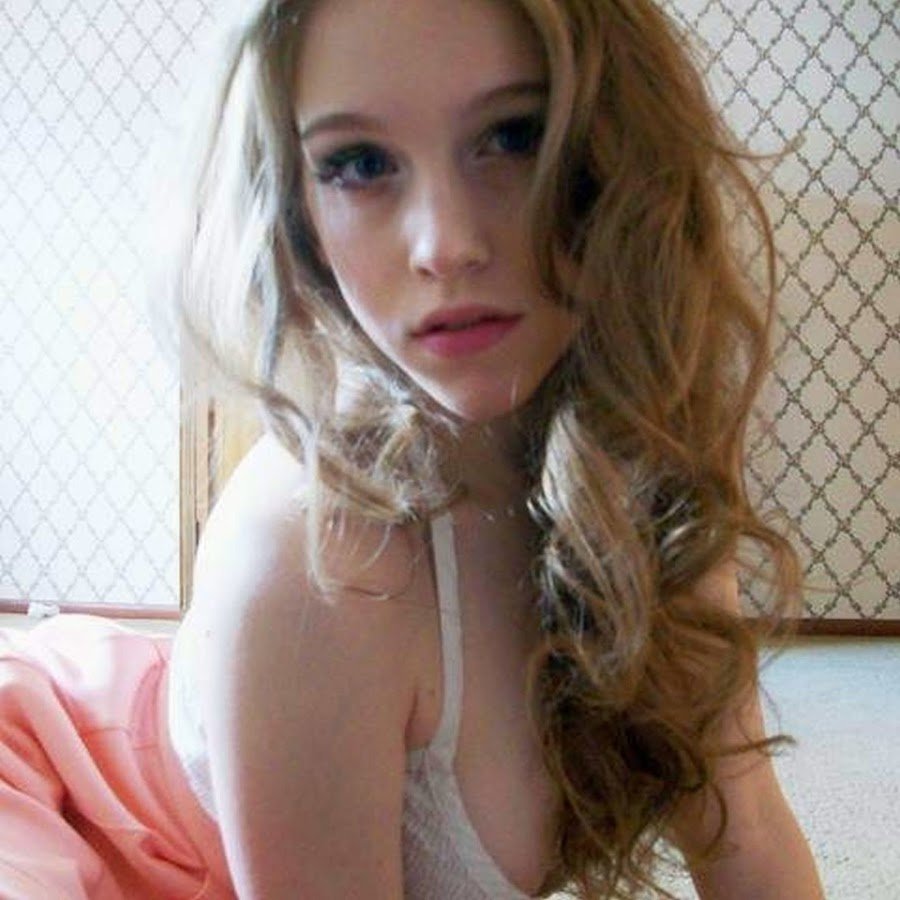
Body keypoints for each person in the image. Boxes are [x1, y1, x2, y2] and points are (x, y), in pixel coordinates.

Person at [0, 0, 826, 897]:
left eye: (513, 137)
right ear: (297, 209)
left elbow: (744, 831)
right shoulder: (317, 563)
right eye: (359, 163)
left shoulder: (643, 457)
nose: (444, 246)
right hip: (70, 819)